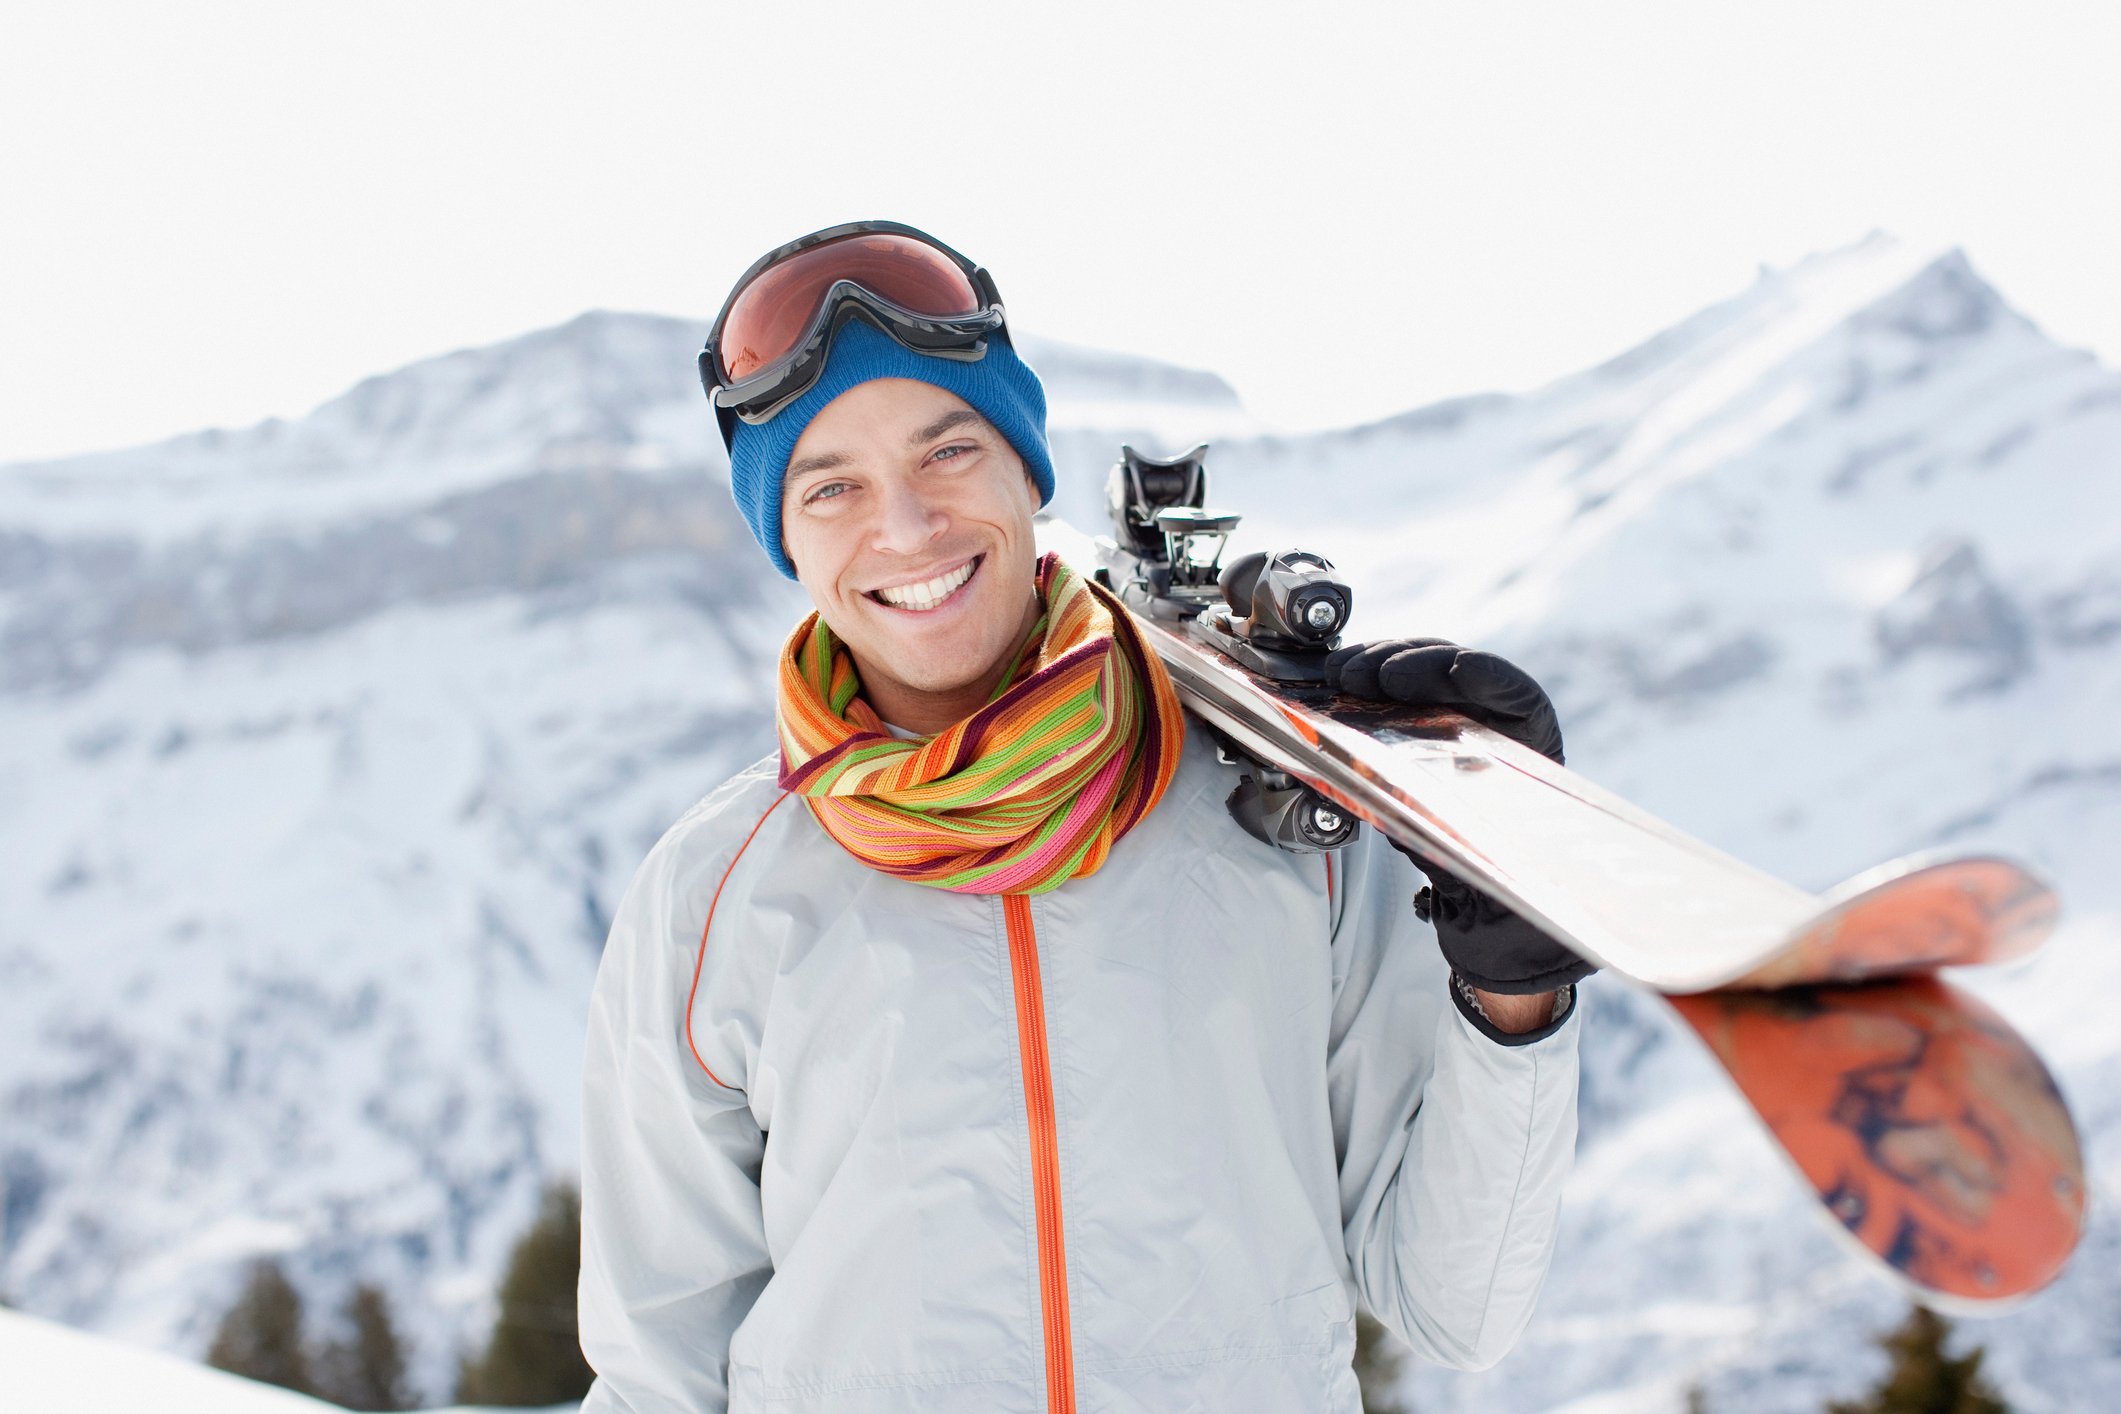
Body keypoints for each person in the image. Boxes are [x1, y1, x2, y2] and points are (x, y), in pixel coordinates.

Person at [577, 221, 1593, 1414]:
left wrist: (1511, 993)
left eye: (949, 448)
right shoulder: (716, 895)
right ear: (783, 535)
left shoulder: (1270, 812)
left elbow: (1453, 1307)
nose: (904, 527)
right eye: (831, 484)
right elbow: (658, 1378)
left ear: (1026, 469)